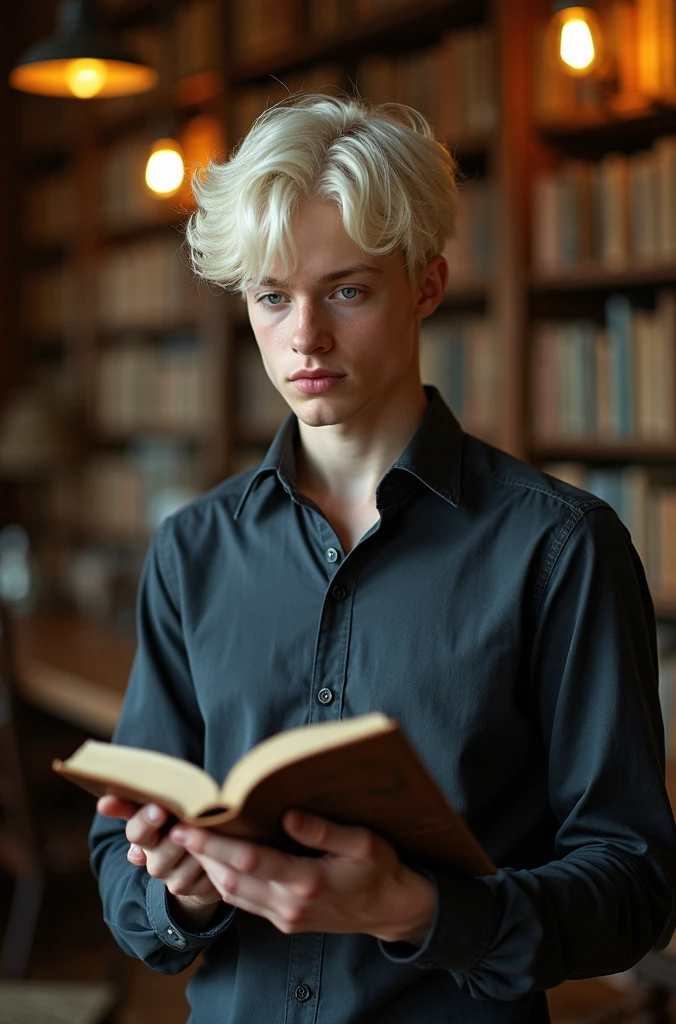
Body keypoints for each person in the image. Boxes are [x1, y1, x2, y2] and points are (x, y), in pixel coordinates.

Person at [90, 94, 676, 1024]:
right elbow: (118, 868)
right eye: (272, 296)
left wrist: (420, 911)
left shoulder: (561, 546)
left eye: (348, 290)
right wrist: (183, 892)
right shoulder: (192, 549)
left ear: (427, 286)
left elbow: (637, 888)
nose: (305, 337)